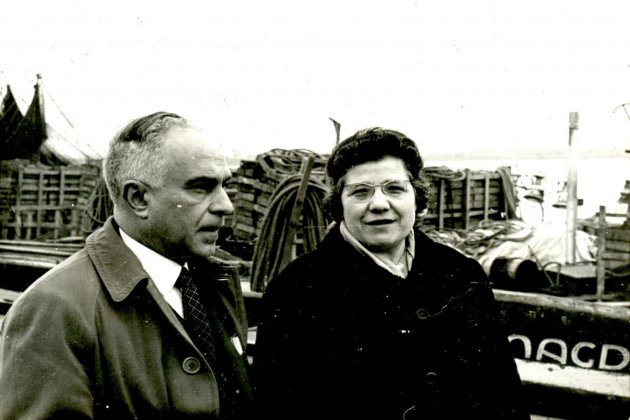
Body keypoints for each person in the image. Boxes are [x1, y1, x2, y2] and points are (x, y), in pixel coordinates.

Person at [253, 127, 530, 419]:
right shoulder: (296, 290)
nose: (379, 204)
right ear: (338, 203)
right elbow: (276, 409)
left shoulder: (462, 275)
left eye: (394, 189)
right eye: (361, 192)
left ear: (416, 196)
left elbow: (503, 393)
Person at [0, 111, 253, 419]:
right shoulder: (55, 308)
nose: (225, 204)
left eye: (224, 186)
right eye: (201, 187)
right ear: (138, 198)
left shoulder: (213, 285)